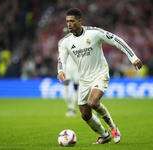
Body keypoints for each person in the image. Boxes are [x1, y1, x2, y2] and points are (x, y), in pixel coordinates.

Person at [57, 8, 143, 144]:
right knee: (85, 114)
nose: (69, 24)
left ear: (80, 21)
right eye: (67, 21)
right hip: (84, 79)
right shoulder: (65, 42)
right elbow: (62, 59)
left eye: (72, 21)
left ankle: (113, 129)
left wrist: (133, 58)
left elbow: (116, 40)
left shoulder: (94, 33)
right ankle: (105, 135)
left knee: (92, 102)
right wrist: (60, 70)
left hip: (100, 74)